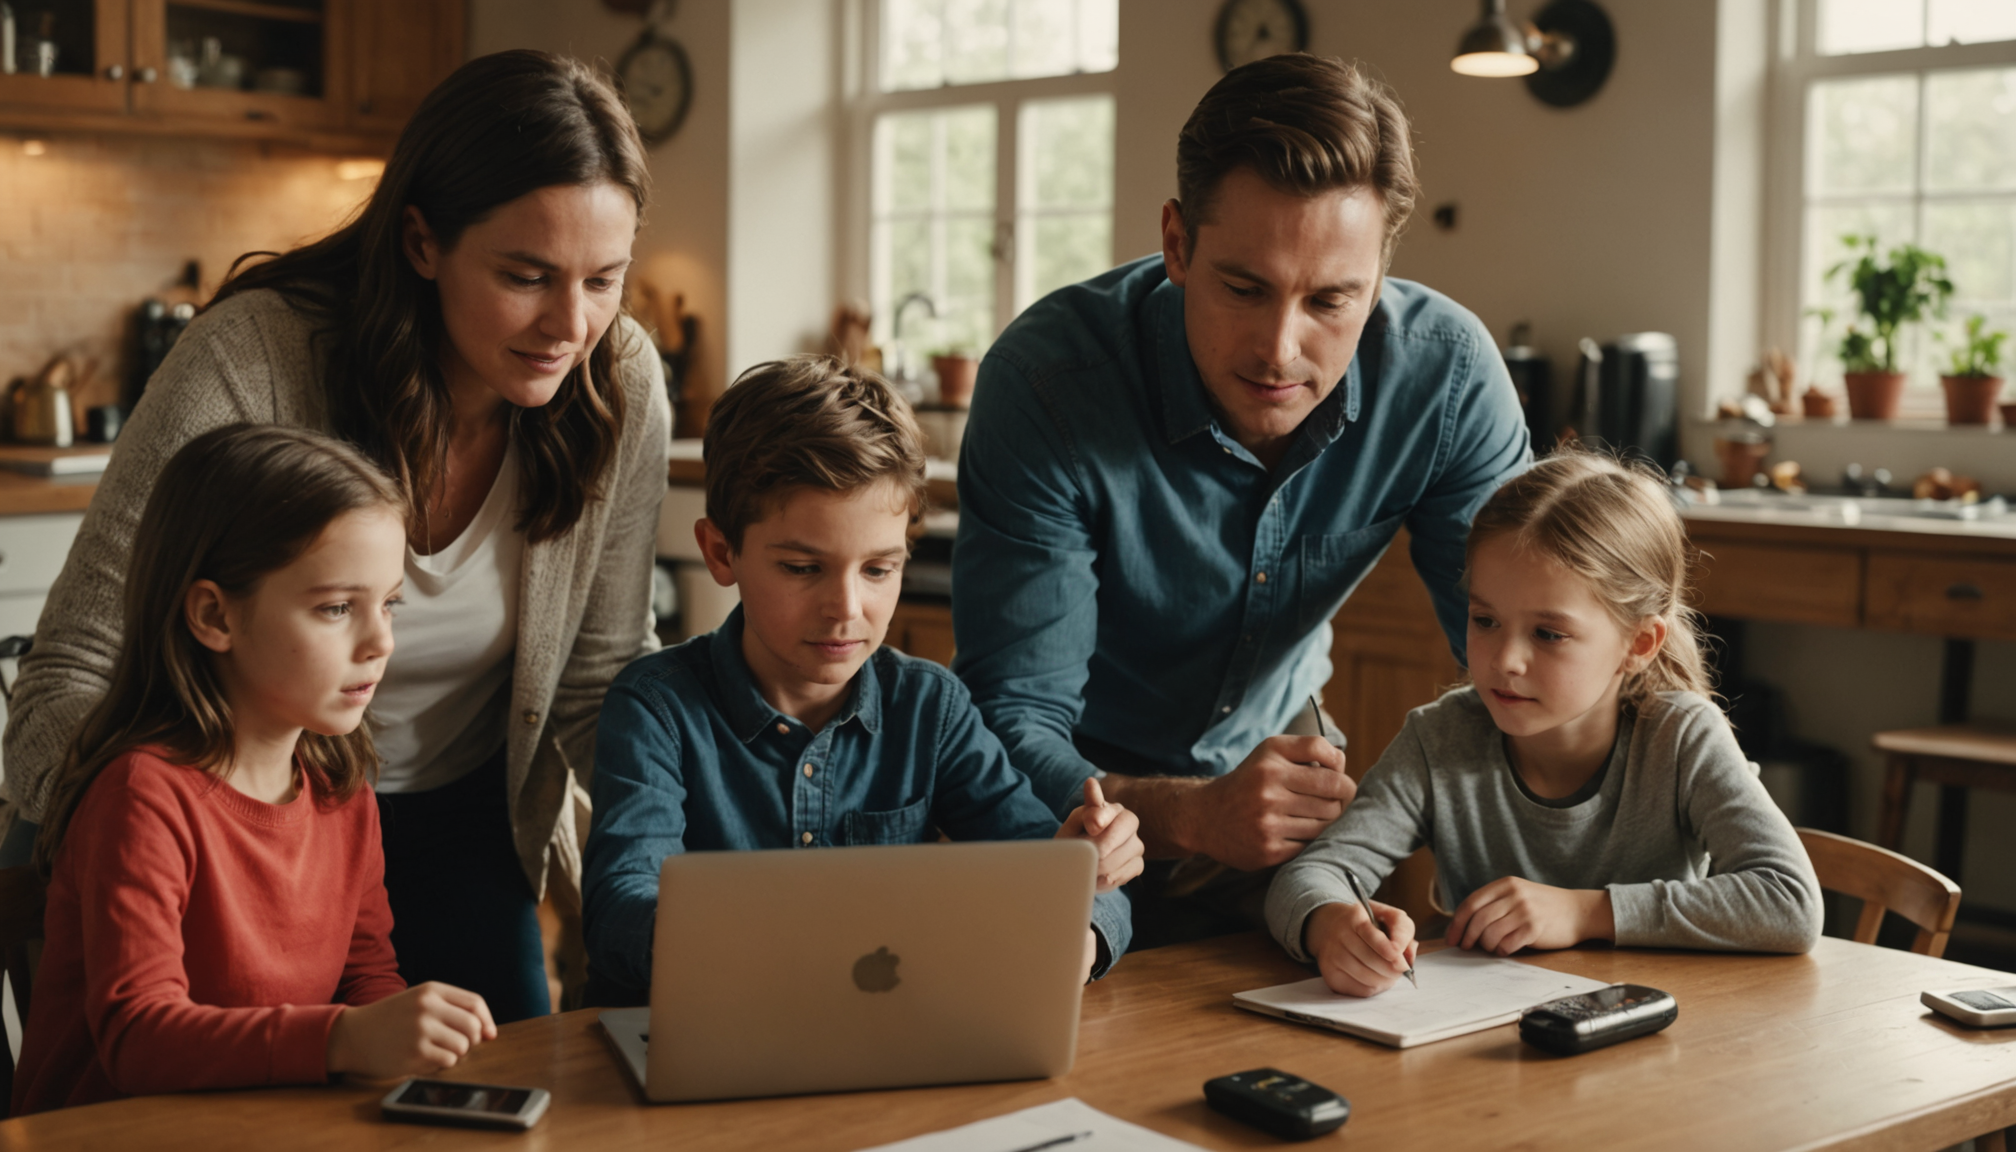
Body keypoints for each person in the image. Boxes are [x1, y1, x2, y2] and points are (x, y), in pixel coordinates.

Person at [0, 51, 671, 1022]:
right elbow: (64, 688)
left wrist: (695, 837)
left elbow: (598, 680)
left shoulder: (618, 381)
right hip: (224, 840)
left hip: (462, 823)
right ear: (421, 241)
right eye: (526, 276)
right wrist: (196, 828)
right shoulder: (257, 359)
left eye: (605, 280)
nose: (571, 326)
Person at [951, 53, 1531, 945]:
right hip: (1066, 809)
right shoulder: (1049, 383)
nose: (1280, 350)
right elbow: (1011, 722)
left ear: (1380, 273)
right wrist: (1190, 816)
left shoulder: (1444, 379)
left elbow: (1531, 651)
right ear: (1177, 243)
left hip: (1279, 781)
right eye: (1244, 288)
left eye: (1332, 300)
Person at [582, 357, 1143, 1006]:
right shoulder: (656, 709)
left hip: (877, 1046)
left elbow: (1073, 882)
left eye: (878, 570)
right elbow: (621, 911)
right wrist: (803, 952)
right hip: (683, 1044)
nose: (846, 609)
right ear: (721, 552)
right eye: (801, 567)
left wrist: (1080, 896)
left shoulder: (931, 709)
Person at [14, 425, 496, 1115]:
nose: (380, 641)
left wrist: (405, 1043)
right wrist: (346, 1040)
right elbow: (137, 1037)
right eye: (336, 608)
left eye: (389, 603)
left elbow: (367, 978)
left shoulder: (341, 788)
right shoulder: (142, 794)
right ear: (214, 615)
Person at [1265, 451, 1825, 998]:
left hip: (1652, 1046)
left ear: (1639, 643)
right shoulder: (1439, 740)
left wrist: (1584, 911)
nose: (1505, 659)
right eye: (1485, 620)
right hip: (1485, 1046)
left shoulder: (1681, 739)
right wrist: (1332, 925)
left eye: (1548, 634)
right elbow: (1310, 876)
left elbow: (1790, 903)